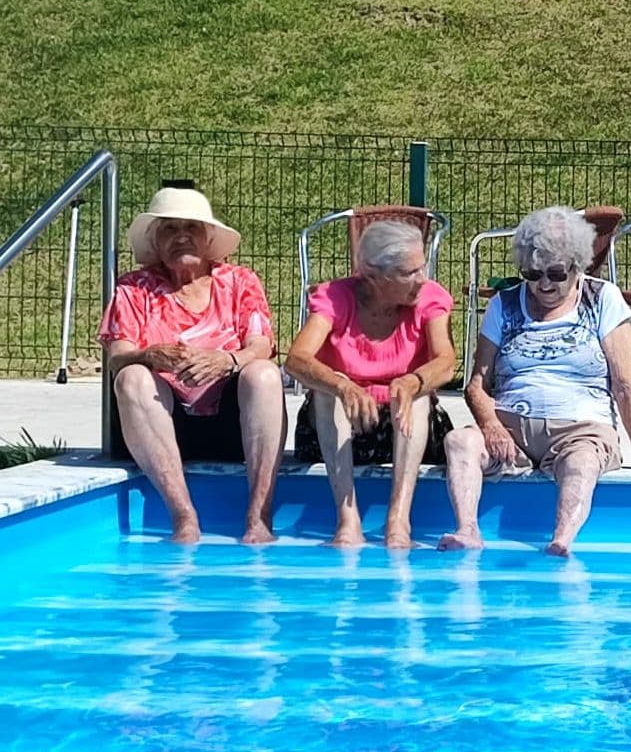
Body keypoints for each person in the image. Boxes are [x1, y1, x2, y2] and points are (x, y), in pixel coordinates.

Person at [440, 206, 631, 557]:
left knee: (582, 463)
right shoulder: (505, 304)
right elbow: (476, 384)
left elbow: (623, 382)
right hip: (510, 427)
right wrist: (491, 426)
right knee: (458, 441)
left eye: (556, 273)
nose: (543, 284)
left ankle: (561, 540)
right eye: (533, 273)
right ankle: (467, 530)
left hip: (581, 428)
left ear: (577, 266)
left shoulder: (602, 298)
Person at [98, 186, 284, 545]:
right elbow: (118, 356)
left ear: (208, 236)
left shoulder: (239, 281)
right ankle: (184, 517)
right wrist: (149, 355)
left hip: (231, 422)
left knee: (263, 373)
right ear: (155, 239)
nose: (181, 236)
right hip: (161, 425)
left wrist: (227, 360)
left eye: (191, 227)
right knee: (132, 376)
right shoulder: (134, 289)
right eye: (169, 228)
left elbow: (261, 346)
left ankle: (259, 517)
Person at [284, 220, 457, 549]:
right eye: (409, 272)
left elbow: (446, 362)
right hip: (339, 429)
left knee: (416, 396)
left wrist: (412, 380)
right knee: (327, 392)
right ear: (374, 276)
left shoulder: (429, 297)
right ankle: (347, 520)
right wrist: (343, 386)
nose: (421, 278)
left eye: (422, 267)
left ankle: (398, 520)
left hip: (405, 429)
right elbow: (297, 359)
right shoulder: (335, 298)